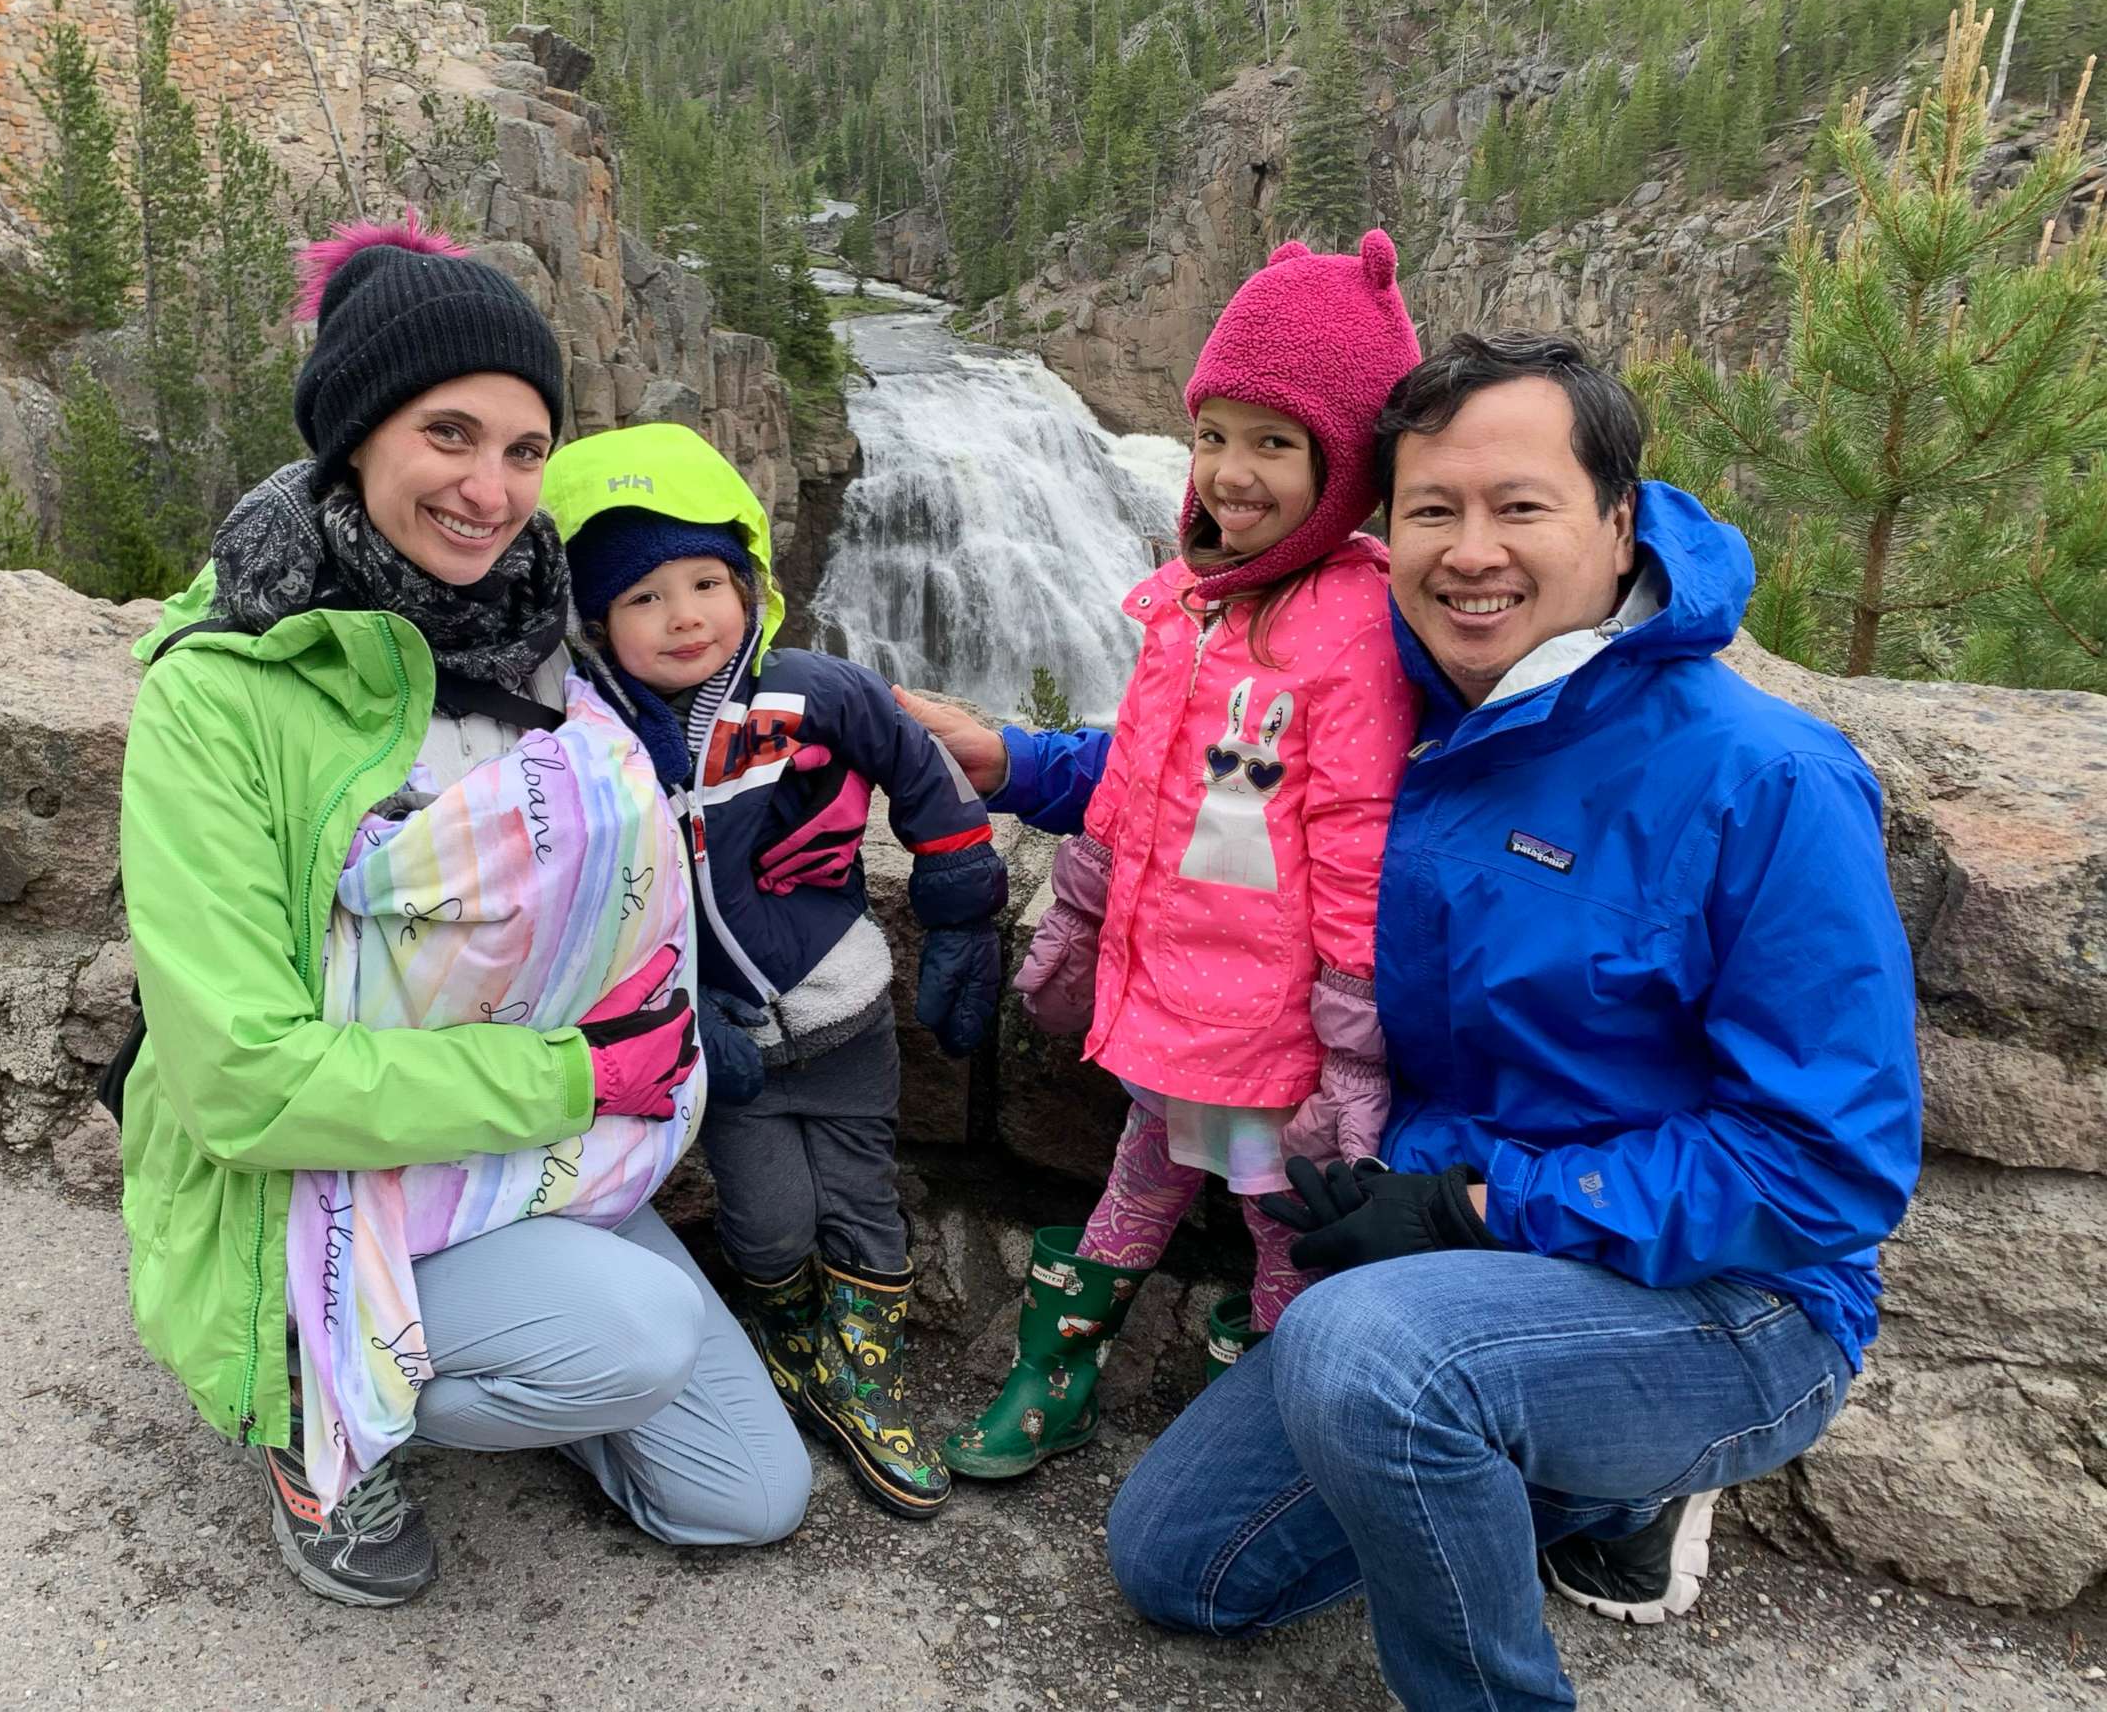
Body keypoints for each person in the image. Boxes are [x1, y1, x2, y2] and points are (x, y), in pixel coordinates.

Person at [899, 333, 1921, 1706]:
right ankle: (1583, 1480)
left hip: (1730, 1302)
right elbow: (1208, 777)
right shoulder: (1398, 698)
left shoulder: (1764, 783)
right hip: (1445, 1264)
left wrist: (1480, 1210)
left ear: (1621, 521)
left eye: (1520, 506)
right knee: (1178, 1564)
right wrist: (1015, 762)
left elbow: (1828, 1172)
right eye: (1432, 510)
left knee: (1359, 1352)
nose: (1471, 550)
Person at [115, 217, 809, 1611]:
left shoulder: (547, 636)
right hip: (319, 1176)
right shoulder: (223, 690)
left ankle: (485, 1353)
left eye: (525, 449)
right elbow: (243, 1081)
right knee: (640, 1331)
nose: (492, 492)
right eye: (449, 435)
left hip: (517, 1152)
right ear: (358, 434)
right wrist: (573, 1075)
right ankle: (319, 1420)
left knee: (745, 1492)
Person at [942, 235, 1421, 1484]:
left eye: (1275, 443)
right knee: (1139, 1173)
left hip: (1275, 1029)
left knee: (1280, 1217)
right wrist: (1081, 917)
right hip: (1171, 995)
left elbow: (1356, 844)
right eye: (1214, 434)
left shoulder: (1355, 629)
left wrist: (1351, 1041)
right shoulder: (1189, 608)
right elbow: (1139, 785)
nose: (1231, 472)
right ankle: (1059, 1372)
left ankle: (1263, 1404)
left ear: (1344, 464)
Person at [544, 421, 1009, 1519]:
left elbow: (922, 768)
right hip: (726, 1045)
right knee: (766, 1219)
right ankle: (790, 1338)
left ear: (750, 587)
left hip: (845, 1016)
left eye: (707, 581)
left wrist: (959, 906)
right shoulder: (595, 743)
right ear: (595, 624)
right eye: (644, 598)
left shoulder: (811, 690)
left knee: (862, 1201)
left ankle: (866, 1367)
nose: (686, 615)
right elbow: (578, 906)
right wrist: (676, 1011)